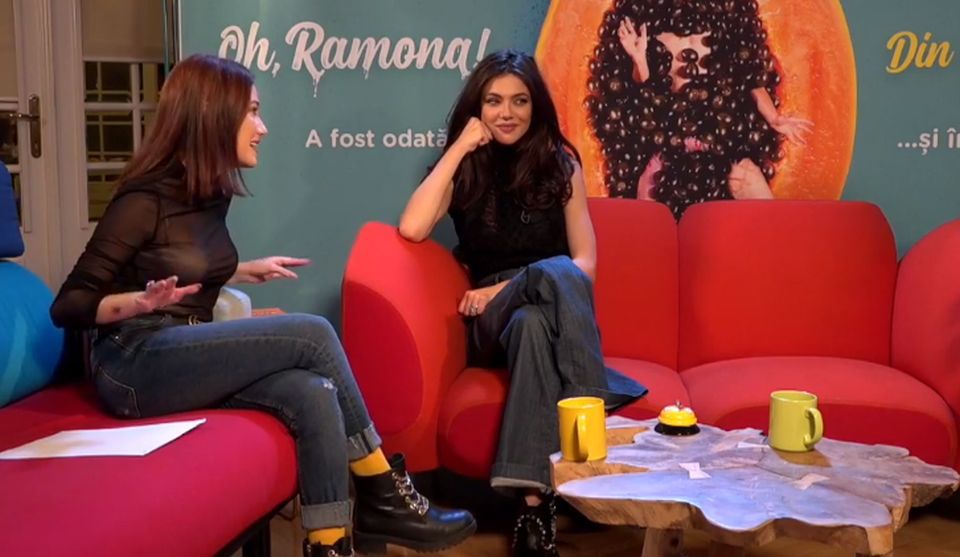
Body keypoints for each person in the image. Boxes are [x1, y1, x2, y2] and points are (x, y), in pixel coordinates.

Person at [49, 54, 475, 557]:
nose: (263, 127)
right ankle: (382, 490)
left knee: (313, 392)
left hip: (181, 348)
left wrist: (239, 269)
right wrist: (139, 301)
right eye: (252, 112)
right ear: (213, 114)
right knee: (312, 333)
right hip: (132, 363)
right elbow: (69, 305)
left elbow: (174, 264)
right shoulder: (142, 201)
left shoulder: (209, 192)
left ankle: (330, 544)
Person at [399, 49, 647, 557]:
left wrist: (515, 284)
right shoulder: (466, 166)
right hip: (489, 322)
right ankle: (590, 397)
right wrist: (461, 145)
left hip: (541, 313)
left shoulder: (561, 165)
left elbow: (585, 264)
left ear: (536, 107)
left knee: (537, 315)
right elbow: (413, 227)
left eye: (519, 101)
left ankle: (534, 510)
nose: (506, 112)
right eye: (493, 101)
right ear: (478, 107)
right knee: (552, 277)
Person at [588, 0, 813, 217]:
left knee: (763, 209)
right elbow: (648, 92)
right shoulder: (652, 26)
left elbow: (749, 78)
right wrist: (639, 60)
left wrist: (773, 118)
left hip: (718, 140)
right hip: (670, 140)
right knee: (648, 216)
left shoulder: (726, 23)